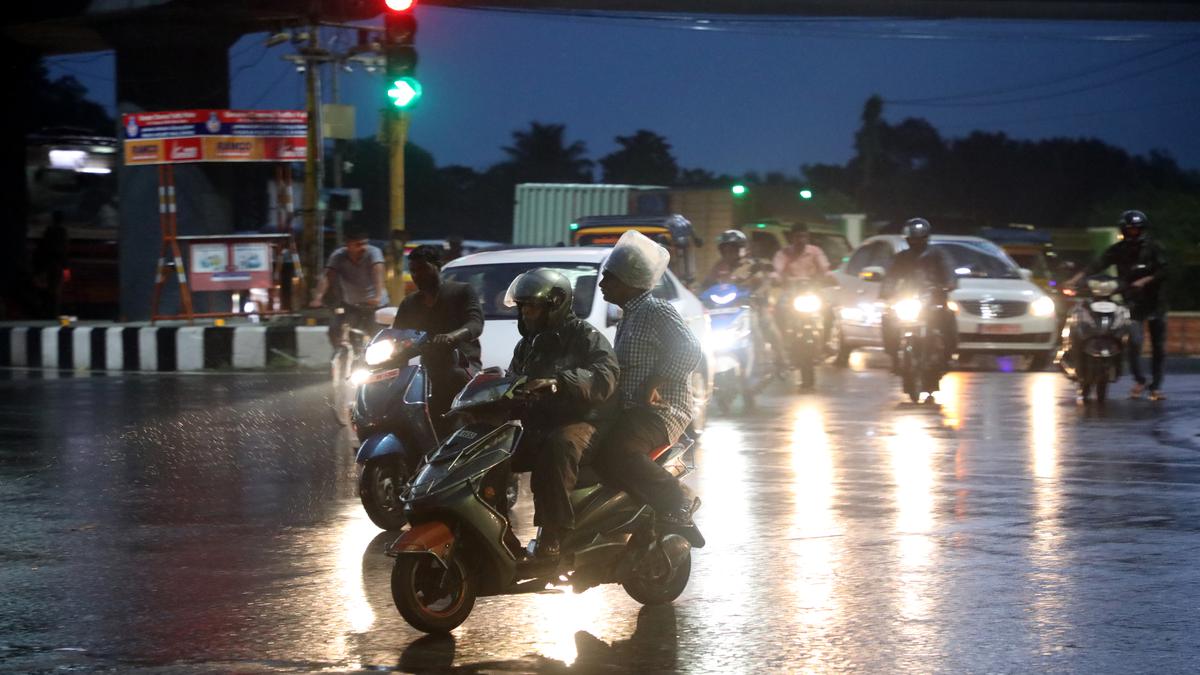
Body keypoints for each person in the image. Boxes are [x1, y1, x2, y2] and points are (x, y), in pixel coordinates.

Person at [505, 268, 620, 557]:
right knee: (494, 455)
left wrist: (560, 382)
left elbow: (604, 375)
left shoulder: (586, 336)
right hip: (540, 422)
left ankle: (554, 534)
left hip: (583, 421)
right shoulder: (527, 345)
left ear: (555, 304)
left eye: (532, 306)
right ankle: (499, 535)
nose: (527, 313)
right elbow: (513, 380)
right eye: (523, 307)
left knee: (559, 447)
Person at [594, 231, 702, 530]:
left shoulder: (655, 309)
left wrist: (656, 381)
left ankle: (678, 499)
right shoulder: (628, 314)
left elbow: (689, 348)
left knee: (621, 450)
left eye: (609, 279)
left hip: (661, 411)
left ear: (628, 281)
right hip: (630, 409)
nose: (602, 284)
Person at [1073, 210, 1169, 401]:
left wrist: (1145, 281)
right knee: (1134, 342)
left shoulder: (1154, 248)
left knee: (1158, 347)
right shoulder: (1118, 249)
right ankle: (1140, 380)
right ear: (1124, 230)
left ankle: (1156, 387)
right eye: (1130, 230)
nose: (1133, 233)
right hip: (1132, 303)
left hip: (1155, 303)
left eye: (1137, 230)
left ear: (1143, 230)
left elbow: (1164, 270)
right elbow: (1097, 264)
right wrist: (1076, 278)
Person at [392, 245, 484, 432]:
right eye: (413, 270)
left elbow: (475, 323)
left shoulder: (461, 292)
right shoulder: (410, 303)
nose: (418, 275)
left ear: (437, 266)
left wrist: (453, 336)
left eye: (423, 268)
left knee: (454, 377)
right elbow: (397, 336)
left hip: (462, 365)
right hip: (427, 370)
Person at [880, 217, 959, 371]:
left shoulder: (938, 254)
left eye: (919, 239)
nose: (915, 242)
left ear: (926, 238)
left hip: (934, 299)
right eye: (912, 239)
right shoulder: (902, 257)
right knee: (888, 318)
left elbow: (949, 271)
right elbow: (891, 276)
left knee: (948, 318)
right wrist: (886, 291)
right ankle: (894, 356)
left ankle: (947, 356)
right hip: (908, 297)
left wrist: (948, 284)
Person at [309, 229, 389, 348]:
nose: (363, 247)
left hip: (376, 306)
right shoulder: (338, 256)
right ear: (348, 245)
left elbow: (378, 272)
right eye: (358, 245)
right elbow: (327, 276)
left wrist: (377, 296)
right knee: (336, 330)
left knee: (378, 337)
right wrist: (318, 298)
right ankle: (341, 359)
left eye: (365, 243)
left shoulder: (374, 252)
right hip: (352, 305)